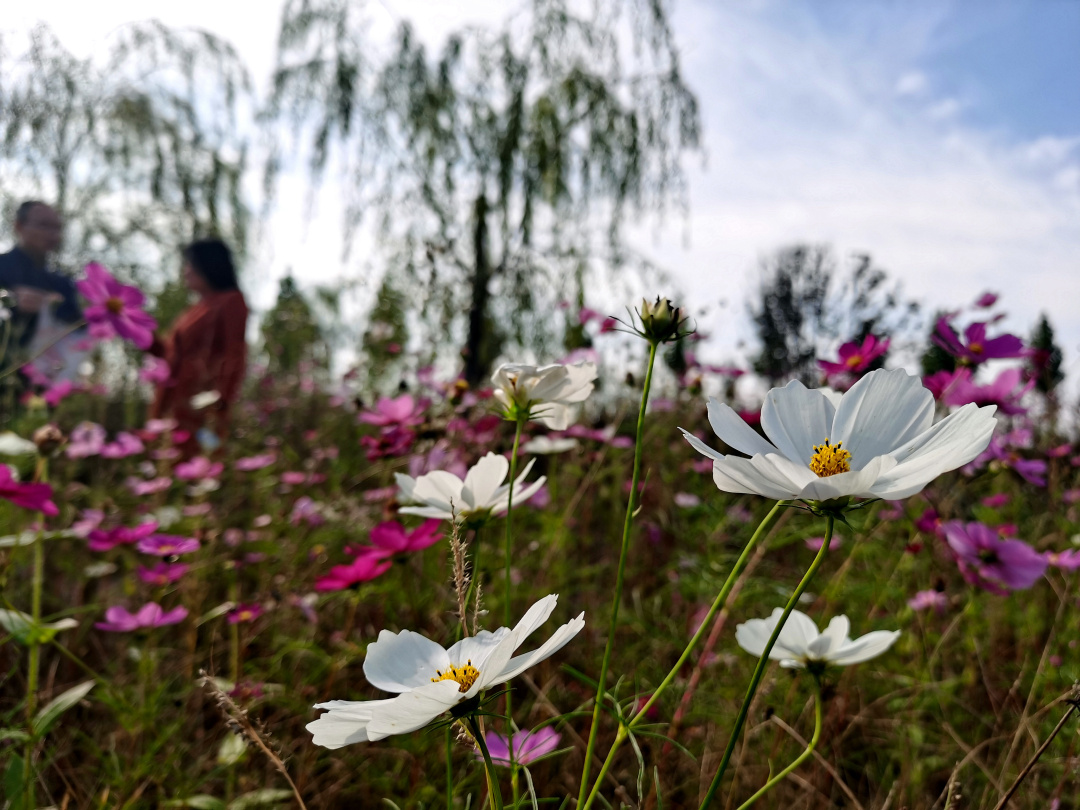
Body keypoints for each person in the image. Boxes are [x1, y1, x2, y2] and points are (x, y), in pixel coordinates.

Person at [150, 238, 248, 455]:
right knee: (166, 459)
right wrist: (137, 331)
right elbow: (169, 353)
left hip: (200, 403)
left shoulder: (231, 301)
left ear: (208, 265)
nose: (186, 271)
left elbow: (235, 352)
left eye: (190, 264)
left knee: (200, 459)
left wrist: (221, 400)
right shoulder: (195, 309)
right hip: (172, 400)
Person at [0, 201, 84, 366]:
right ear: (19, 226)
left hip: (41, 373)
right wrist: (11, 301)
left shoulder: (63, 284)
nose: (52, 234)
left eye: (57, 228)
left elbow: (79, 328)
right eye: (44, 225)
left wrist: (52, 308)